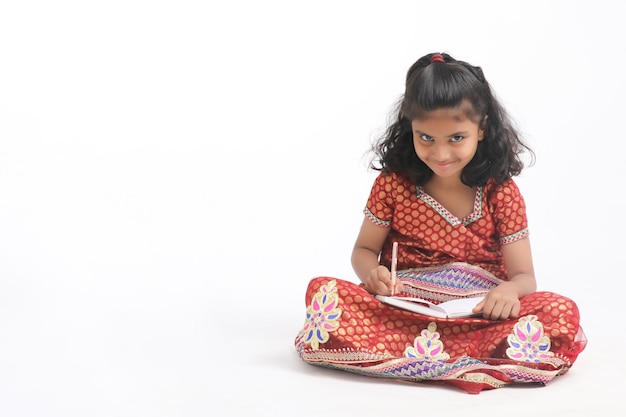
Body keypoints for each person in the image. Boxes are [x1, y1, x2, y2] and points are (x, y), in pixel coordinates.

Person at [294, 52, 587, 394]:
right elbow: (364, 250)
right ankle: (464, 358)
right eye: (426, 138)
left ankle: (412, 357)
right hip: (403, 309)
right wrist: (371, 275)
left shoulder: (501, 192)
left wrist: (507, 291)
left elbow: (525, 277)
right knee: (325, 294)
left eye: (456, 138)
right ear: (410, 129)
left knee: (558, 312)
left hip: (478, 315)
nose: (441, 154)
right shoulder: (393, 184)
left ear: (482, 128)